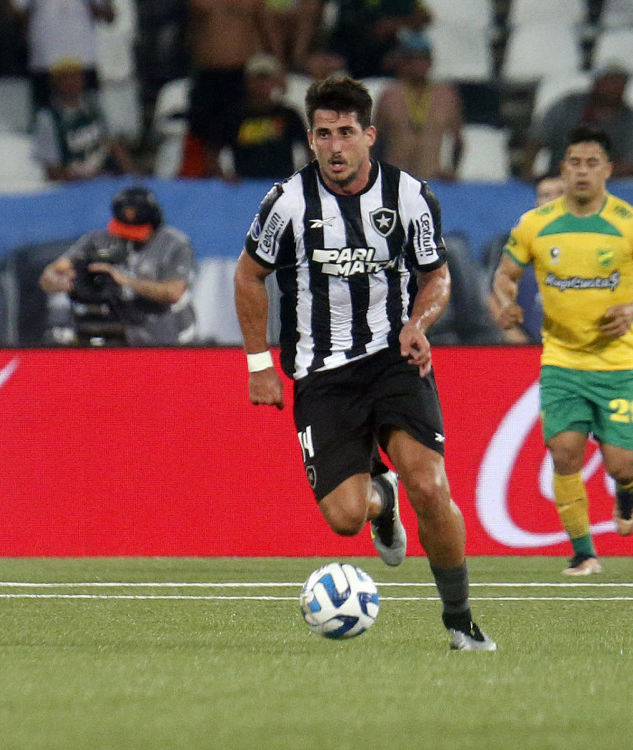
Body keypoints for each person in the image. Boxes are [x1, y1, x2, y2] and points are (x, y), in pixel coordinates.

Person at [232, 76, 494, 651]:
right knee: (345, 518)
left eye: (346, 132)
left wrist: (418, 326)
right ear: (311, 139)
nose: (335, 146)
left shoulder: (409, 197)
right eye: (323, 134)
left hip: (394, 358)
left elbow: (436, 275)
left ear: (369, 135)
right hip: (320, 375)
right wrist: (259, 363)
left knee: (430, 483)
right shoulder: (286, 203)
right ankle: (383, 500)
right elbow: (249, 275)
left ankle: (460, 621)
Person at [492, 125, 633, 575]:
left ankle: (627, 489)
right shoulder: (537, 224)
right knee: (564, 451)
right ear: (563, 168)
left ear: (607, 170)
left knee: (621, 463)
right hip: (563, 360)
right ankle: (584, 552)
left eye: (592, 163)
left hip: (619, 363)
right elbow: (505, 273)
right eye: (574, 163)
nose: (582, 172)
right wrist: (505, 303)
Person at [38, 185, 197, 346]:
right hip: (106, 325)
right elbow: (52, 273)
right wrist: (61, 281)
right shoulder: (97, 240)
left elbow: (174, 292)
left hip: (161, 330)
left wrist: (124, 280)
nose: (128, 238)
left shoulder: (175, 244)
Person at [180, 0, 272, 177]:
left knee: (240, 128)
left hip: (240, 72)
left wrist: (278, 66)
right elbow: (191, 32)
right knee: (201, 131)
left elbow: (266, 31)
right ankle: (197, 179)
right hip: (208, 73)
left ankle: (242, 176)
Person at [521, 64, 633, 179]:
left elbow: (632, 166)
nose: (614, 87)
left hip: (613, 187)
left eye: (619, 82)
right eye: (609, 81)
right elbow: (536, 139)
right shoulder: (568, 106)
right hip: (562, 183)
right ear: (596, 82)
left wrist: (587, 174)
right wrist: (529, 171)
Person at [482, 171, 567, 344]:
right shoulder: (510, 244)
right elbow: (492, 299)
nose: (552, 201)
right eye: (545, 195)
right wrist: (518, 342)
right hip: (525, 347)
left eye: (560, 194)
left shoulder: (595, 242)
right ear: (537, 203)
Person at [372, 30, 463, 181]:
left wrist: (453, 170)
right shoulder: (390, 96)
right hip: (395, 180)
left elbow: (458, 140)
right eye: (410, 59)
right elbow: (374, 140)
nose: (416, 65)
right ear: (401, 62)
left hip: (432, 180)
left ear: (430, 62)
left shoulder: (446, 96)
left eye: (421, 59)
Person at [30, 56, 136, 182]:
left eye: (76, 76)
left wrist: (132, 175)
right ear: (55, 82)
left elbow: (114, 144)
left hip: (107, 178)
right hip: (73, 186)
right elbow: (52, 170)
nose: (72, 82)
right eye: (65, 78)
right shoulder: (47, 118)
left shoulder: (94, 104)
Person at [209, 53, 310, 180]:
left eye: (266, 79)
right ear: (247, 82)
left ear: (275, 82)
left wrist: (305, 177)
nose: (261, 85)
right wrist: (223, 177)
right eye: (257, 79)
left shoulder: (289, 115)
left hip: (281, 186)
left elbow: (310, 147)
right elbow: (212, 151)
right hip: (245, 188)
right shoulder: (234, 116)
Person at [12, 0, 113, 110]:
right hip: (46, 57)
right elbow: (18, 11)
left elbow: (109, 16)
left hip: (82, 56)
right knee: (45, 115)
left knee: (91, 113)